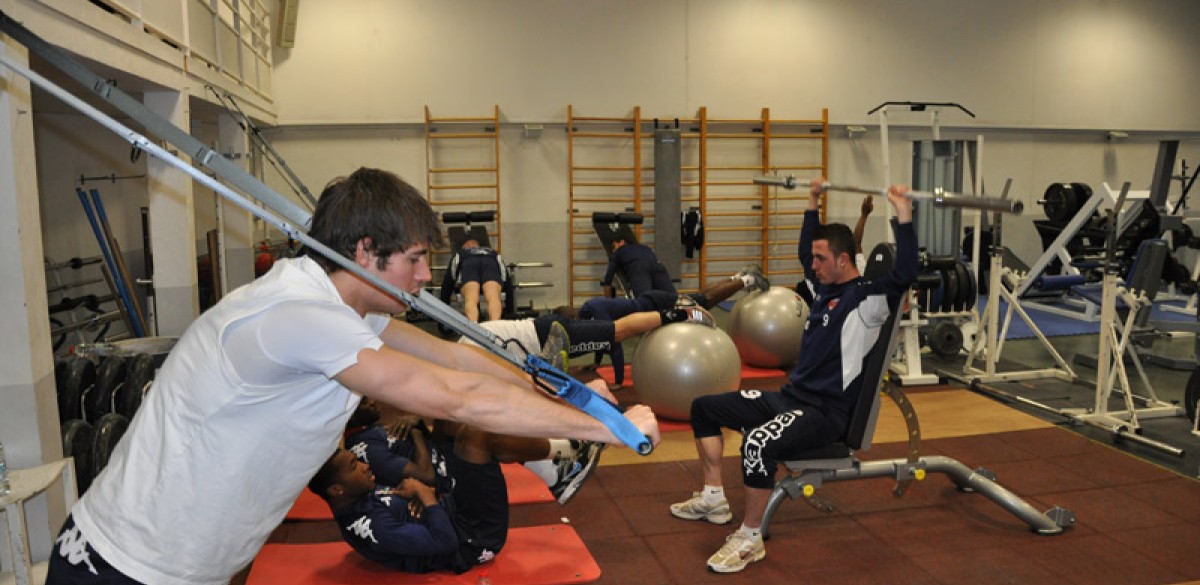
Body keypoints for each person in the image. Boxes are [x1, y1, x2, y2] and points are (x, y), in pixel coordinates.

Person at [46, 167, 660, 585]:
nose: (425, 276)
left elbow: (456, 358)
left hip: (191, 560)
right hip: (126, 566)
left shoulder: (345, 308)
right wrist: (606, 426)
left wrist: (568, 389)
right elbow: (456, 396)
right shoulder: (298, 317)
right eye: (416, 259)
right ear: (365, 252)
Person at [668, 179, 917, 573]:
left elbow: (905, 271)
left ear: (843, 259)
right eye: (814, 260)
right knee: (704, 408)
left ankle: (750, 538)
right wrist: (812, 200)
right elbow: (805, 248)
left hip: (825, 413)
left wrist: (902, 212)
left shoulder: (867, 300)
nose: (812, 266)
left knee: (758, 442)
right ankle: (713, 497)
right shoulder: (823, 288)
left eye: (821, 259)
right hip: (791, 398)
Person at [310, 413, 601, 574]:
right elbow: (445, 542)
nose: (363, 466)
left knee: (450, 414)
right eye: (353, 466)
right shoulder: (373, 527)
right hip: (473, 538)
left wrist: (419, 498)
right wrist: (425, 497)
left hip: (450, 505)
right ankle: (571, 452)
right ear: (337, 489)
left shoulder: (360, 498)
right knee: (477, 435)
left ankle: (556, 469)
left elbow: (408, 502)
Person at [580, 265, 771, 389]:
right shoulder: (589, 310)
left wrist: (618, 381)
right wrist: (597, 363)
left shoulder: (593, 314)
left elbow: (612, 344)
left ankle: (749, 280)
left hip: (656, 303)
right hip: (651, 301)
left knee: (706, 301)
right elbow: (602, 336)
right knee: (701, 296)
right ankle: (737, 276)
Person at [440, 238, 507, 322]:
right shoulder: (493, 252)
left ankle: (474, 330)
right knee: (493, 298)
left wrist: (443, 309)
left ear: (465, 247)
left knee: (471, 299)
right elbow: (505, 276)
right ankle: (495, 328)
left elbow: (448, 282)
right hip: (490, 264)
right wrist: (510, 311)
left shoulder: (460, 254)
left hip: (469, 264)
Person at [601, 234, 676, 298]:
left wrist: (607, 301)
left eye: (614, 246)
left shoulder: (618, 252)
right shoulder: (646, 248)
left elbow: (609, 276)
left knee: (644, 301)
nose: (613, 249)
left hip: (639, 268)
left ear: (622, 242)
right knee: (670, 297)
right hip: (658, 266)